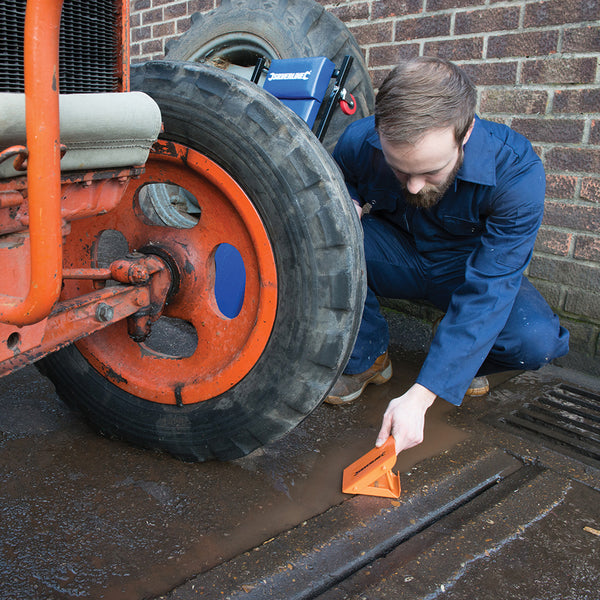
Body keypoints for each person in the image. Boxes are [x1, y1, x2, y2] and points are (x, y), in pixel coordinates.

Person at [326, 57, 569, 455]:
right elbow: (341, 176)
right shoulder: (359, 141)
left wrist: (421, 396)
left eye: (432, 171)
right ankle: (369, 356)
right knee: (331, 241)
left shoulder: (517, 173)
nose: (416, 186)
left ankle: (456, 355)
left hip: (467, 271)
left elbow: (492, 287)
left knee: (534, 340)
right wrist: (349, 201)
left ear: (466, 132)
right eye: (400, 171)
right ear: (380, 134)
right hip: (395, 252)